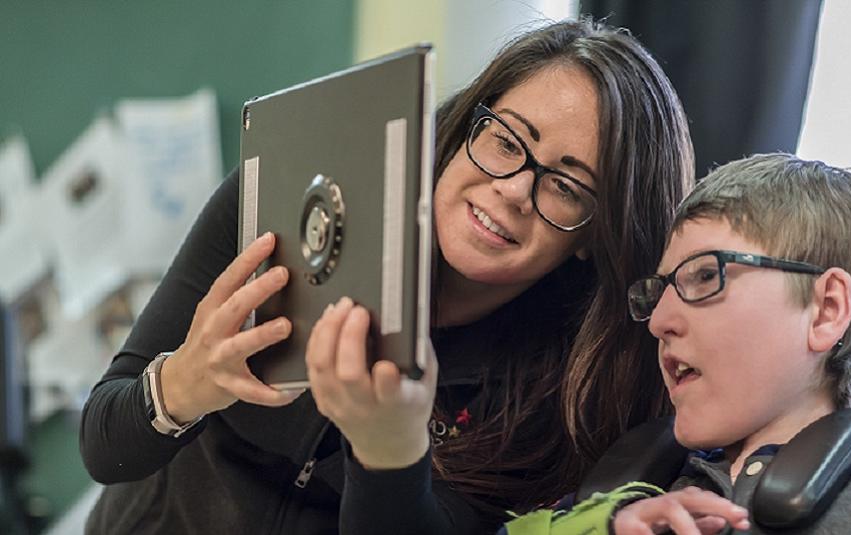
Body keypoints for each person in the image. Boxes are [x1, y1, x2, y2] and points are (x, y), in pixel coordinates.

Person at [79, 18, 695, 534]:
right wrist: (185, 384)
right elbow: (104, 443)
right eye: (507, 141)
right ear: (466, 128)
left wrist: (390, 452)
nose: (510, 191)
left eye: (565, 185)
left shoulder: (566, 394)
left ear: (597, 235)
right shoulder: (279, 209)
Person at [502, 154, 851, 534]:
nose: (659, 321)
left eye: (704, 276)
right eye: (660, 291)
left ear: (826, 310)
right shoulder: (633, 490)